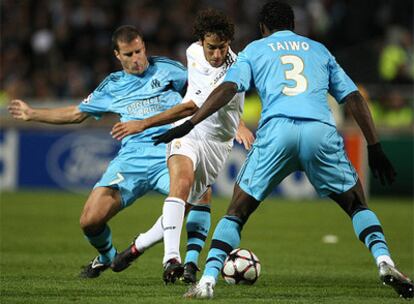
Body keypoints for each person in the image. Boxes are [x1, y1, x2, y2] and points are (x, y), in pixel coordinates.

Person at [153, 1, 413, 299]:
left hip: (277, 133)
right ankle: (384, 261)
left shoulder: (255, 49)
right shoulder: (318, 49)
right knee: (356, 205)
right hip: (320, 131)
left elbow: (227, 89)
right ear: (294, 26)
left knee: (237, 212)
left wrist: (190, 123)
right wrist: (375, 145)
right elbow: (353, 97)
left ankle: (207, 281)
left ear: (263, 27)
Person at [7, 25, 212, 279]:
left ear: (144, 47)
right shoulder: (112, 85)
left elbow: (203, 96)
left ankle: (185, 263)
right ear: (117, 55)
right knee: (90, 221)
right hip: (131, 161)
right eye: (129, 54)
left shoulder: (170, 70)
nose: (136, 59)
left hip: (170, 153)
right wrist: (33, 113)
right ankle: (106, 256)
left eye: (139, 51)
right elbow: (76, 113)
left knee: (200, 194)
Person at [110, 9, 254, 284]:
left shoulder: (236, 66)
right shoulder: (192, 53)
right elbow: (191, 105)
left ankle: (137, 245)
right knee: (181, 182)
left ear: (229, 44)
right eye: (211, 48)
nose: (216, 55)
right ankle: (171, 259)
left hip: (215, 143)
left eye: (222, 48)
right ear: (201, 42)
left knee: (186, 207)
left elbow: (200, 104)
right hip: (189, 130)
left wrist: (145, 123)